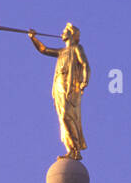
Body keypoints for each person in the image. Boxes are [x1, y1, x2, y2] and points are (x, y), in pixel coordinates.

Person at [28, 23, 90, 159]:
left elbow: (85, 64)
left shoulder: (76, 49)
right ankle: (71, 149)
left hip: (70, 86)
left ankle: (75, 148)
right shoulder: (62, 52)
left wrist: (85, 80)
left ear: (71, 35)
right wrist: (33, 38)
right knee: (62, 117)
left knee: (67, 116)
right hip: (59, 86)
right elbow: (44, 49)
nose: (62, 33)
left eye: (64, 31)